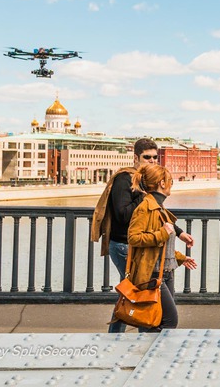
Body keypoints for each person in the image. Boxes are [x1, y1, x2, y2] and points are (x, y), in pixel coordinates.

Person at [91, 138, 193, 333]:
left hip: (140, 247)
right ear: (136, 157)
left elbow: (158, 214)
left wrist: (179, 234)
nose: (152, 161)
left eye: (155, 157)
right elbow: (123, 215)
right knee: (138, 293)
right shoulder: (125, 179)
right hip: (124, 246)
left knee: (133, 293)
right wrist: (144, 194)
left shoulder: (147, 184)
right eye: (147, 157)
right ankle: (139, 335)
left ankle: (123, 336)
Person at [124, 163, 197, 331]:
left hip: (165, 272)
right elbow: (133, 238)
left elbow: (162, 247)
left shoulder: (159, 208)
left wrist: (180, 257)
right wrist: (163, 233)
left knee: (156, 320)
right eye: (169, 180)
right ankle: (153, 354)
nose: (172, 184)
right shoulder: (145, 208)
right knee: (169, 321)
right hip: (153, 274)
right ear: (162, 183)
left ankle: (152, 353)